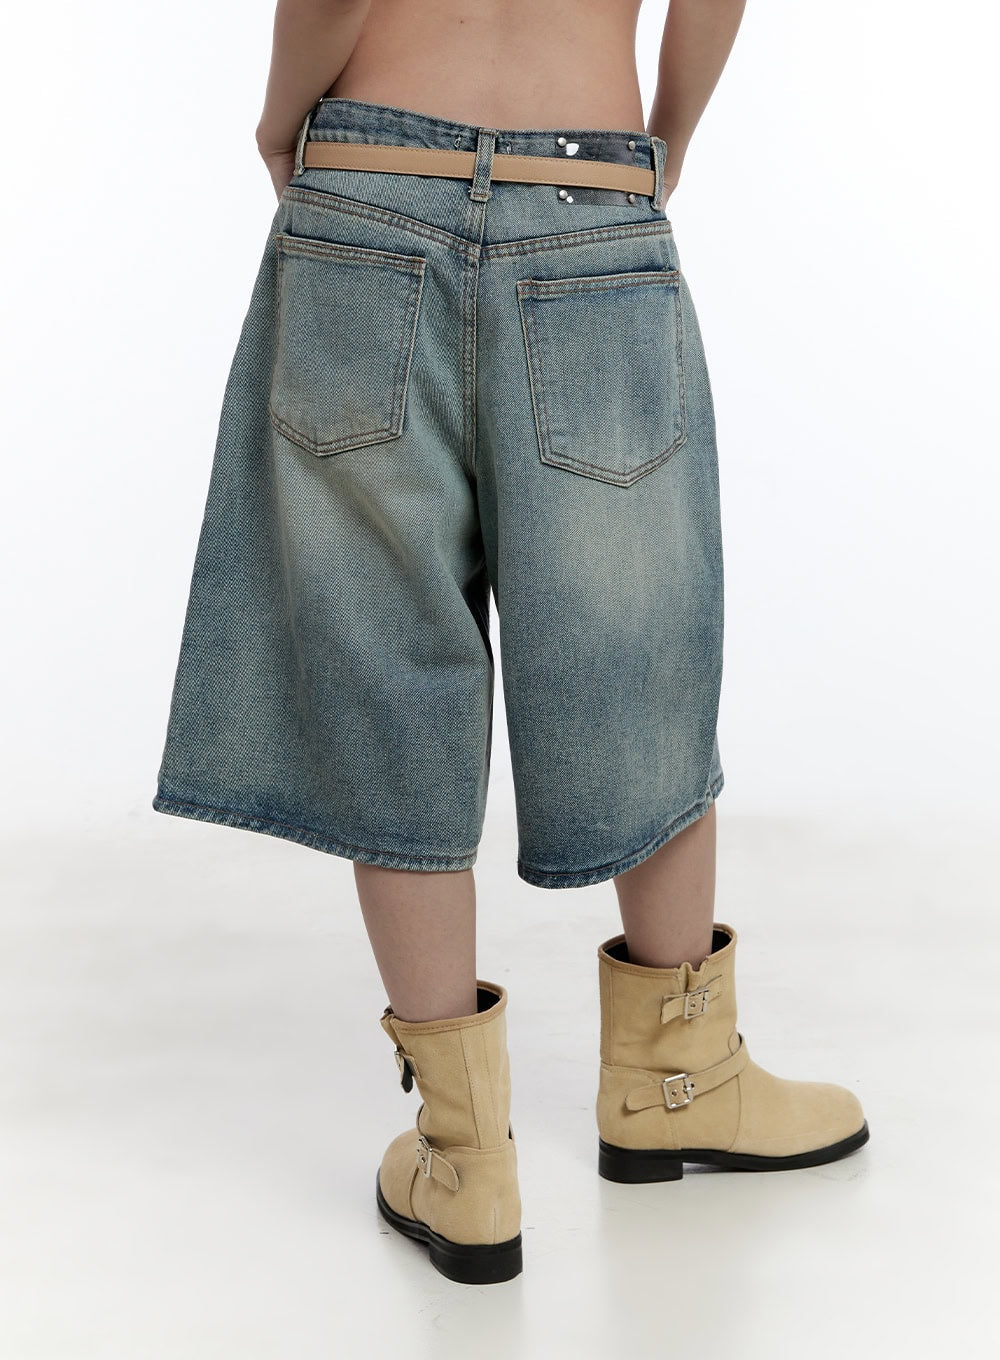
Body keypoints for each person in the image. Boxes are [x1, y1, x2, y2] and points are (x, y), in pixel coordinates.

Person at [152, 0, 869, 1286]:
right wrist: (661, 141)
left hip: (367, 193)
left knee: (386, 664)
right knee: (632, 643)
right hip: (585, 185)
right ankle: (677, 1081)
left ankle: (462, 1159)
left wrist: (277, 124)